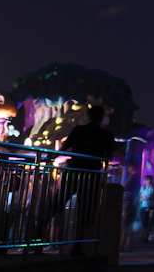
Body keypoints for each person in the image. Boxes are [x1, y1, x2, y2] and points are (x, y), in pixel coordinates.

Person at [58, 105, 115, 256]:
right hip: (92, 174)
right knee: (86, 209)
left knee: (60, 200)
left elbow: (65, 148)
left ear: (88, 116)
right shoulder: (106, 135)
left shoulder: (79, 130)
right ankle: (78, 243)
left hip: (74, 170)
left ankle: (39, 230)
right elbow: (109, 155)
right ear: (101, 117)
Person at [139, 176, 154, 241]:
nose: (148, 181)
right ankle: (143, 235)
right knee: (143, 221)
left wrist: (144, 199)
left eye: (149, 180)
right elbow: (141, 195)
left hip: (150, 206)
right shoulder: (143, 188)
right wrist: (144, 198)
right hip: (143, 206)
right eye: (147, 180)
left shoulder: (152, 188)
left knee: (149, 221)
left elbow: (152, 197)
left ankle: (146, 236)